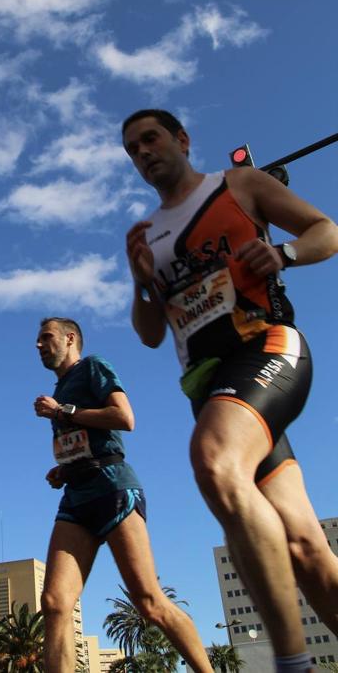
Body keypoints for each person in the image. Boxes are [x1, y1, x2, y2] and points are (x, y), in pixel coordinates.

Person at [122, 108, 338, 673]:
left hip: (267, 350)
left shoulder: (237, 184)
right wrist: (143, 284)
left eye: (151, 138)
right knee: (306, 548)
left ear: (182, 140)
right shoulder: (150, 236)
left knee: (215, 461)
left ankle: (292, 666)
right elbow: (149, 335)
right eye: (132, 149)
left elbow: (326, 231)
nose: (143, 152)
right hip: (212, 388)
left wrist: (284, 253)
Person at [34, 316, 214, 673]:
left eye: (46, 338)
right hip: (77, 495)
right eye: (38, 341)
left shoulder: (93, 367)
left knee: (148, 601)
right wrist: (64, 469)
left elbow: (124, 417)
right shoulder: (59, 389)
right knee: (54, 603)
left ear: (70, 339)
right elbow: (85, 441)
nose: (39, 345)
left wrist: (64, 411)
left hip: (113, 487)